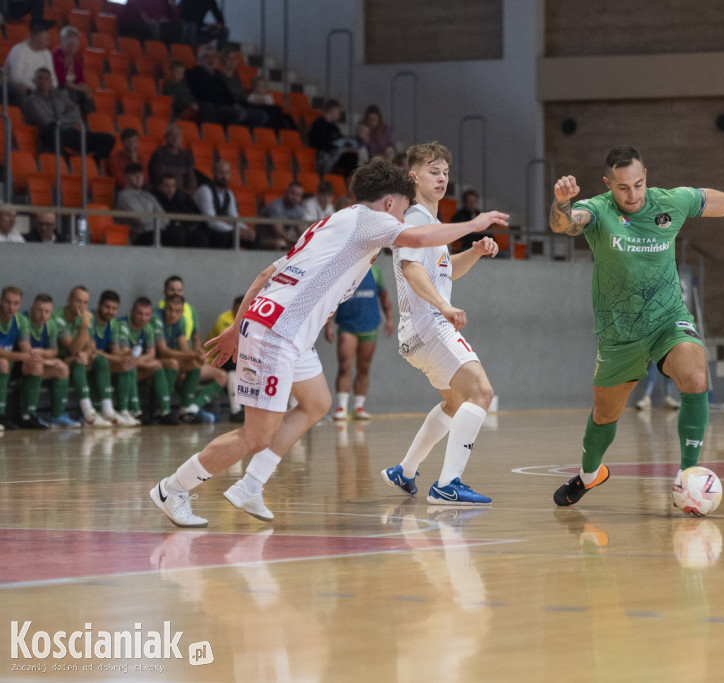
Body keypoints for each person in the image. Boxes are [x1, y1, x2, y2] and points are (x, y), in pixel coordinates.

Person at [148, 158, 508, 527]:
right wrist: (476, 224)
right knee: (255, 436)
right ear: (389, 204)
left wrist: (237, 327)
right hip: (277, 333)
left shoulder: (332, 222)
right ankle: (172, 489)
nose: (405, 215)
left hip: (283, 331)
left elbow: (265, 274)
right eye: (403, 206)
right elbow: (418, 239)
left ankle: (250, 486)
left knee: (317, 402)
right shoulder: (373, 221)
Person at [547, 145, 724, 506]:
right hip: (619, 333)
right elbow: (565, 225)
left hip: (668, 320)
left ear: (646, 176)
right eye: (622, 188)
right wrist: (562, 203)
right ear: (608, 184)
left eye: (638, 184)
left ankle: (688, 475)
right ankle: (590, 475)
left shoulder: (673, 201)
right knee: (605, 415)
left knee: (696, 376)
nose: (632, 194)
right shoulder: (598, 209)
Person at [379, 142, 499, 506]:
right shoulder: (416, 219)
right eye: (434, 171)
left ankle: (405, 470)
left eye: (446, 172)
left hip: (417, 331)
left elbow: (445, 272)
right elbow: (411, 270)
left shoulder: (431, 223)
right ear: (413, 176)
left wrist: (474, 253)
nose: (442, 178)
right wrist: (444, 306)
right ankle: (448, 484)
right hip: (429, 324)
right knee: (481, 392)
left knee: (454, 401)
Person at [326, 259, 393, 421]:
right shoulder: (343, 270)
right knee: (345, 365)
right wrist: (327, 325)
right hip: (347, 325)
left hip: (369, 325)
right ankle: (341, 407)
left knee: (364, 368)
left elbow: (384, 297)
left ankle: (358, 407)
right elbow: (331, 300)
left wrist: (389, 319)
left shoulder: (375, 271)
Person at [157, 293, 227, 424]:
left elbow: (185, 348)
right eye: (170, 310)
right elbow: (163, 351)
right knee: (174, 364)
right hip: (161, 362)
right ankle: (163, 410)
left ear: (182, 311)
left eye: (177, 311)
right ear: (165, 307)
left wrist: (198, 356)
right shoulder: (157, 318)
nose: (173, 314)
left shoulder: (182, 321)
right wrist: (194, 354)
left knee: (219, 374)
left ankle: (190, 409)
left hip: (177, 362)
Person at [22, 68, 115, 161]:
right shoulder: (31, 100)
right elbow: (46, 121)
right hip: (50, 135)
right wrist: (65, 114)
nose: (43, 81)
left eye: (46, 79)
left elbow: (76, 114)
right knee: (52, 129)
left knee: (108, 139)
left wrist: (59, 118)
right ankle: (65, 161)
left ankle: (95, 162)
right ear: (34, 81)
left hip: (71, 132)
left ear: (51, 81)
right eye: (39, 78)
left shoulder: (59, 94)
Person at [53, 286, 113, 427]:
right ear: (69, 300)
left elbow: (91, 345)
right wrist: (84, 326)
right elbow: (72, 349)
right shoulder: (58, 317)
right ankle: (88, 413)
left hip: (75, 358)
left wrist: (86, 353)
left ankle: (107, 409)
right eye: (78, 301)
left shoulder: (84, 316)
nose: (82, 306)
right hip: (59, 359)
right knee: (78, 361)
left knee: (100, 359)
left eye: (85, 302)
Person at [120, 297, 179, 425]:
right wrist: (145, 362)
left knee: (157, 366)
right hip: (119, 370)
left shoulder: (148, 328)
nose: (143, 318)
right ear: (131, 312)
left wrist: (143, 361)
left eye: (147, 314)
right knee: (130, 366)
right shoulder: (123, 325)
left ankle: (164, 411)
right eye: (139, 313)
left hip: (135, 368)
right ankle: (135, 411)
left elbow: (151, 354)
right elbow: (125, 358)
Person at [27, 293, 79, 427]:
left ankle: (57, 415)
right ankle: (27, 415)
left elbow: (54, 351)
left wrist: (43, 354)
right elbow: (26, 353)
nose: (43, 315)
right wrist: (46, 360)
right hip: (22, 367)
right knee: (38, 366)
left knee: (62, 368)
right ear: (32, 308)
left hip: (37, 365)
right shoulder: (23, 321)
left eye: (47, 311)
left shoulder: (51, 325)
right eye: (39, 310)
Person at [90, 290, 141, 426]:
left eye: (114, 309)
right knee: (101, 361)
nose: (110, 311)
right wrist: (118, 358)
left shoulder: (113, 324)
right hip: (88, 363)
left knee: (128, 364)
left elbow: (116, 352)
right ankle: (105, 409)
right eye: (107, 307)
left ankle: (125, 410)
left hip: (104, 364)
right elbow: (92, 351)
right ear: (99, 305)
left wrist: (126, 355)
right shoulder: (90, 319)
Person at [0, 286, 48, 429]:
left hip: (11, 364)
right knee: (3, 362)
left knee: (35, 364)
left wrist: (32, 357)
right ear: (1, 301)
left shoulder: (21, 320)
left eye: (15, 303)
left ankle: (27, 415)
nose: (11, 307)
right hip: (4, 363)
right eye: (8, 302)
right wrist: (19, 356)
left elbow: (26, 350)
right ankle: (1, 414)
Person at [186, 43, 267, 127]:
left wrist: (235, 104)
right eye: (207, 57)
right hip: (211, 106)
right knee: (236, 114)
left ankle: (249, 136)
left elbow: (227, 93)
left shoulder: (218, 75)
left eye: (214, 56)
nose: (211, 60)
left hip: (226, 106)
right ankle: (231, 136)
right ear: (200, 58)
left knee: (261, 115)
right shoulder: (193, 73)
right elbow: (196, 92)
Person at [194, 160, 255, 248]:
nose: (224, 176)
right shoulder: (205, 190)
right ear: (214, 172)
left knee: (252, 237)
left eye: (227, 173)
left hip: (220, 230)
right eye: (221, 172)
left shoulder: (229, 194)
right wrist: (237, 231)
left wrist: (246, 229)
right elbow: (211, 222)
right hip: (204, 231)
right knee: (226, 237)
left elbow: (233, 217)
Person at [205, 295, 245, 422]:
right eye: (237, 310)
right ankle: (236, 410)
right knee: (235, 369)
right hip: (215, 358)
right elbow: (230, 345)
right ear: (232, 309)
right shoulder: (224, 319)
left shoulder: (251, 321)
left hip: (236, 358)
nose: (240, 313)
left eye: (243, 310)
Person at [4, 19, 55, 104]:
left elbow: (52, 77)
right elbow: (16, 78)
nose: (48, 42)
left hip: (40, 88)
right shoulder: (19, 50)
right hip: (20, 88)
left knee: (61, 94)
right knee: (20, 90)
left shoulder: (47, 53)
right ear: (33, 37)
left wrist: (51, 87)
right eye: (45, 39)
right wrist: (39, 88)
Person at [115, 163, 168, 244]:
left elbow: (165, 219)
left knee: (179, 234)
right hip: (136, 237)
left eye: (140, 174)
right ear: (126, 177)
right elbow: (142, 221)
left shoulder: (149, 196)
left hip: (154, 233)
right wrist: (157, 223)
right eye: (134, 175)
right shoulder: (124, 196)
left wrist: (157, 225)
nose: (139, 177)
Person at [309, 100, 364, 176]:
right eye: (338, 112)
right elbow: (320, 144)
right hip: (325, 156)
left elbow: (340, 140)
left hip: (337, 154)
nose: (339, 115)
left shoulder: (334, 127)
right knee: (350, 158)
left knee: (358, 152)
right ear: (332, 111)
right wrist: (339, 147)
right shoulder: (318, 125)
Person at [153, 174, 206, 247]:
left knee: (201, 237)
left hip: (184, 229)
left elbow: (193, 215)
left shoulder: (182, 198)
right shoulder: (155, 200)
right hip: (165, 231)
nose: (170, 189)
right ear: (160, 186)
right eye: (166, 186)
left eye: (172, 186)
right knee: (178, 236)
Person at [51, 26, 93, 116]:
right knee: (72, 93)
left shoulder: (78, 58)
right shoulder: (55, 56)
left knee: (88, 96)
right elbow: (61, 80)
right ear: (62, 42)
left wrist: (85, 88)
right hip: (58, 87)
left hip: (72, 87)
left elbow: (80, 79)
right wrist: (80, 88)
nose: (72, 48)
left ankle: (88, 122)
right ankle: (70, 120)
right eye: (69, 44)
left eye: (74, 45)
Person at [149, 124, 197, 195]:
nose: (175, 138)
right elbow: (162, 181)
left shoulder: (186, 155)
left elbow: (191, 179)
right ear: (165, 137)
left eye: (178, 135)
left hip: (182, 193)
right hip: (163, 192)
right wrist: (182, 192)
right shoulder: (158, 154)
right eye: (172, 135)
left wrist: (190, 192)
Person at [259, 181, 305, 250]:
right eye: (293, 193)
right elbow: (278, 233)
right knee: (281, 243)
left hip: (283, 239)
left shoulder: (298, 209)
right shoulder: (276, 206)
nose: (295, 198)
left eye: (298, 195)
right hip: (264, 239)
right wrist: (293, 242)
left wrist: (303, 241)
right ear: (286, 192)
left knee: (303, 245)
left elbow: (301, 231)